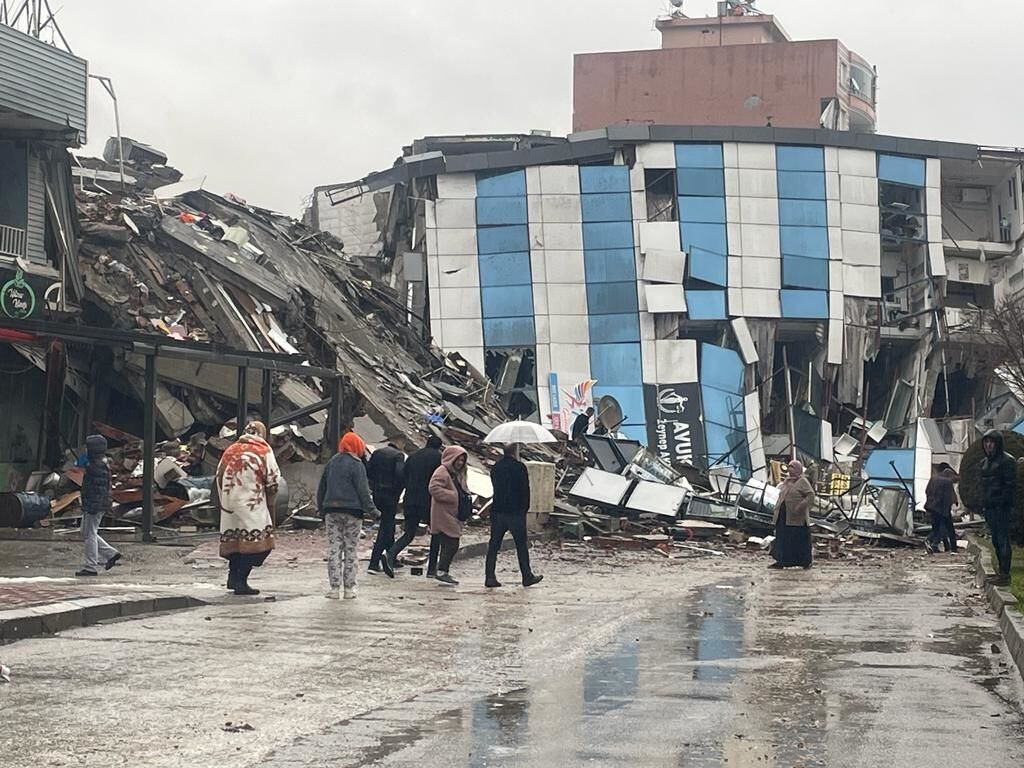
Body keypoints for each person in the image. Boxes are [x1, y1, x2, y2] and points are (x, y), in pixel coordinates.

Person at [216, 421, 280, 596]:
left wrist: (224, 500)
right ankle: (241, 580)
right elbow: (273, 479)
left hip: (229, 504)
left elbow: (219, 475)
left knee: (235, 542)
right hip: (252, 503)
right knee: (258, 544)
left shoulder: (230, 450)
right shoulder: (263, 451)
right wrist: (271, 501)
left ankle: (232, 577)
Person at [318, 432, 379, 599]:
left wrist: (321, 509)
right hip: (353, 512)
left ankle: (334, 589)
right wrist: (373, 512)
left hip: (331, 511)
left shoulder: (332, 462)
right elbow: (363, 491)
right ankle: (349, 589)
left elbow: (322, 487)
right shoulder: (357, 465)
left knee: (334, 549)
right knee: (350, 550)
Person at [485, 444, 543, 588]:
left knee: (493, 545)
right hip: (515, 512)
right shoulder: (520, 467)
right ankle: (527, 576)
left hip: (498, 510)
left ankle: (489, 577)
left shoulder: (496, 468)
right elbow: (525, 490)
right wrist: (524, 509)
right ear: (515, 451)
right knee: (521, 545)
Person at [386, 435, 442, 576]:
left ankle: (390, 555)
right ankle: (432, 569)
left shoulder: (413, 456)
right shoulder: (438, 458)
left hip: (410, 498)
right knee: (436, 533)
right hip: (428, 501)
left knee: (409, 533)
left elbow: (403, 475)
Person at [75, 434, 121, 577]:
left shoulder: (95, 466)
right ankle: (111, 554)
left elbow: (96, 489)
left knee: (89, 534)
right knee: (86, 531)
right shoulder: (100, 463)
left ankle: (90, 566)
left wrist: (92, 505)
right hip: (96, 503)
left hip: (95, 504)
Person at [429, 445, 469, 586]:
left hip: (453, 513)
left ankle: (442, 570)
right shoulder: (442, 471)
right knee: (452, 543)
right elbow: (433, 488)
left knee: (450, 543)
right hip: (443, 513)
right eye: (458, 459)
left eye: (462, 460)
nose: (460, 462)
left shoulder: (458, 473)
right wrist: (453, 496)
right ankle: (441, 571)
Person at [980, 430, 1016, 586]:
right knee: (995, 539)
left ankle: (1005, 574)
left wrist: (1002, 502)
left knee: (1002, 539)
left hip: (1002, 507)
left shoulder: (1007, 461)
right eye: (986, 442)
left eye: (991, 442)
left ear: (997, 443)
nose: (988, 445)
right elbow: (982, 485)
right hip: (989, 507)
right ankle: (1001, 571)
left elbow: (1010, 486)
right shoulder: (984, 463)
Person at [367, 442, 406, 577]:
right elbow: (400, 475)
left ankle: (392, 558)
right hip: (390, 495)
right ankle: (374, 562)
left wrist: (374, 487)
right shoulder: (398, 456)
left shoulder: (377, 453)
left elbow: (368, 471)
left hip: (377, 494)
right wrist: (398, 491)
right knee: (385, 527)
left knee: (389, 525)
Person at [770, 459, 814, 570]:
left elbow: (810, 495)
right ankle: (782, 561)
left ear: (798, 469)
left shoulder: (803, 481)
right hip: (783, 515)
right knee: (782, 538)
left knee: (797, 538)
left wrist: (801, 506)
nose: (790, 469)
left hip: (796, 517)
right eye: (789, 467)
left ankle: (804, 562)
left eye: (792, 467)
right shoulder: (786, 482)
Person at [924, 465, 959, 554]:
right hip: (942, 509)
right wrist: (954, 503)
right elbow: (949, 497)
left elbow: (927, 491)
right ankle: (953, 548)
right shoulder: (947, 482)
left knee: (936, 528)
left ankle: (934, 544)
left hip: (931, 507)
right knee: (948, 528)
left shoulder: (933, 478)